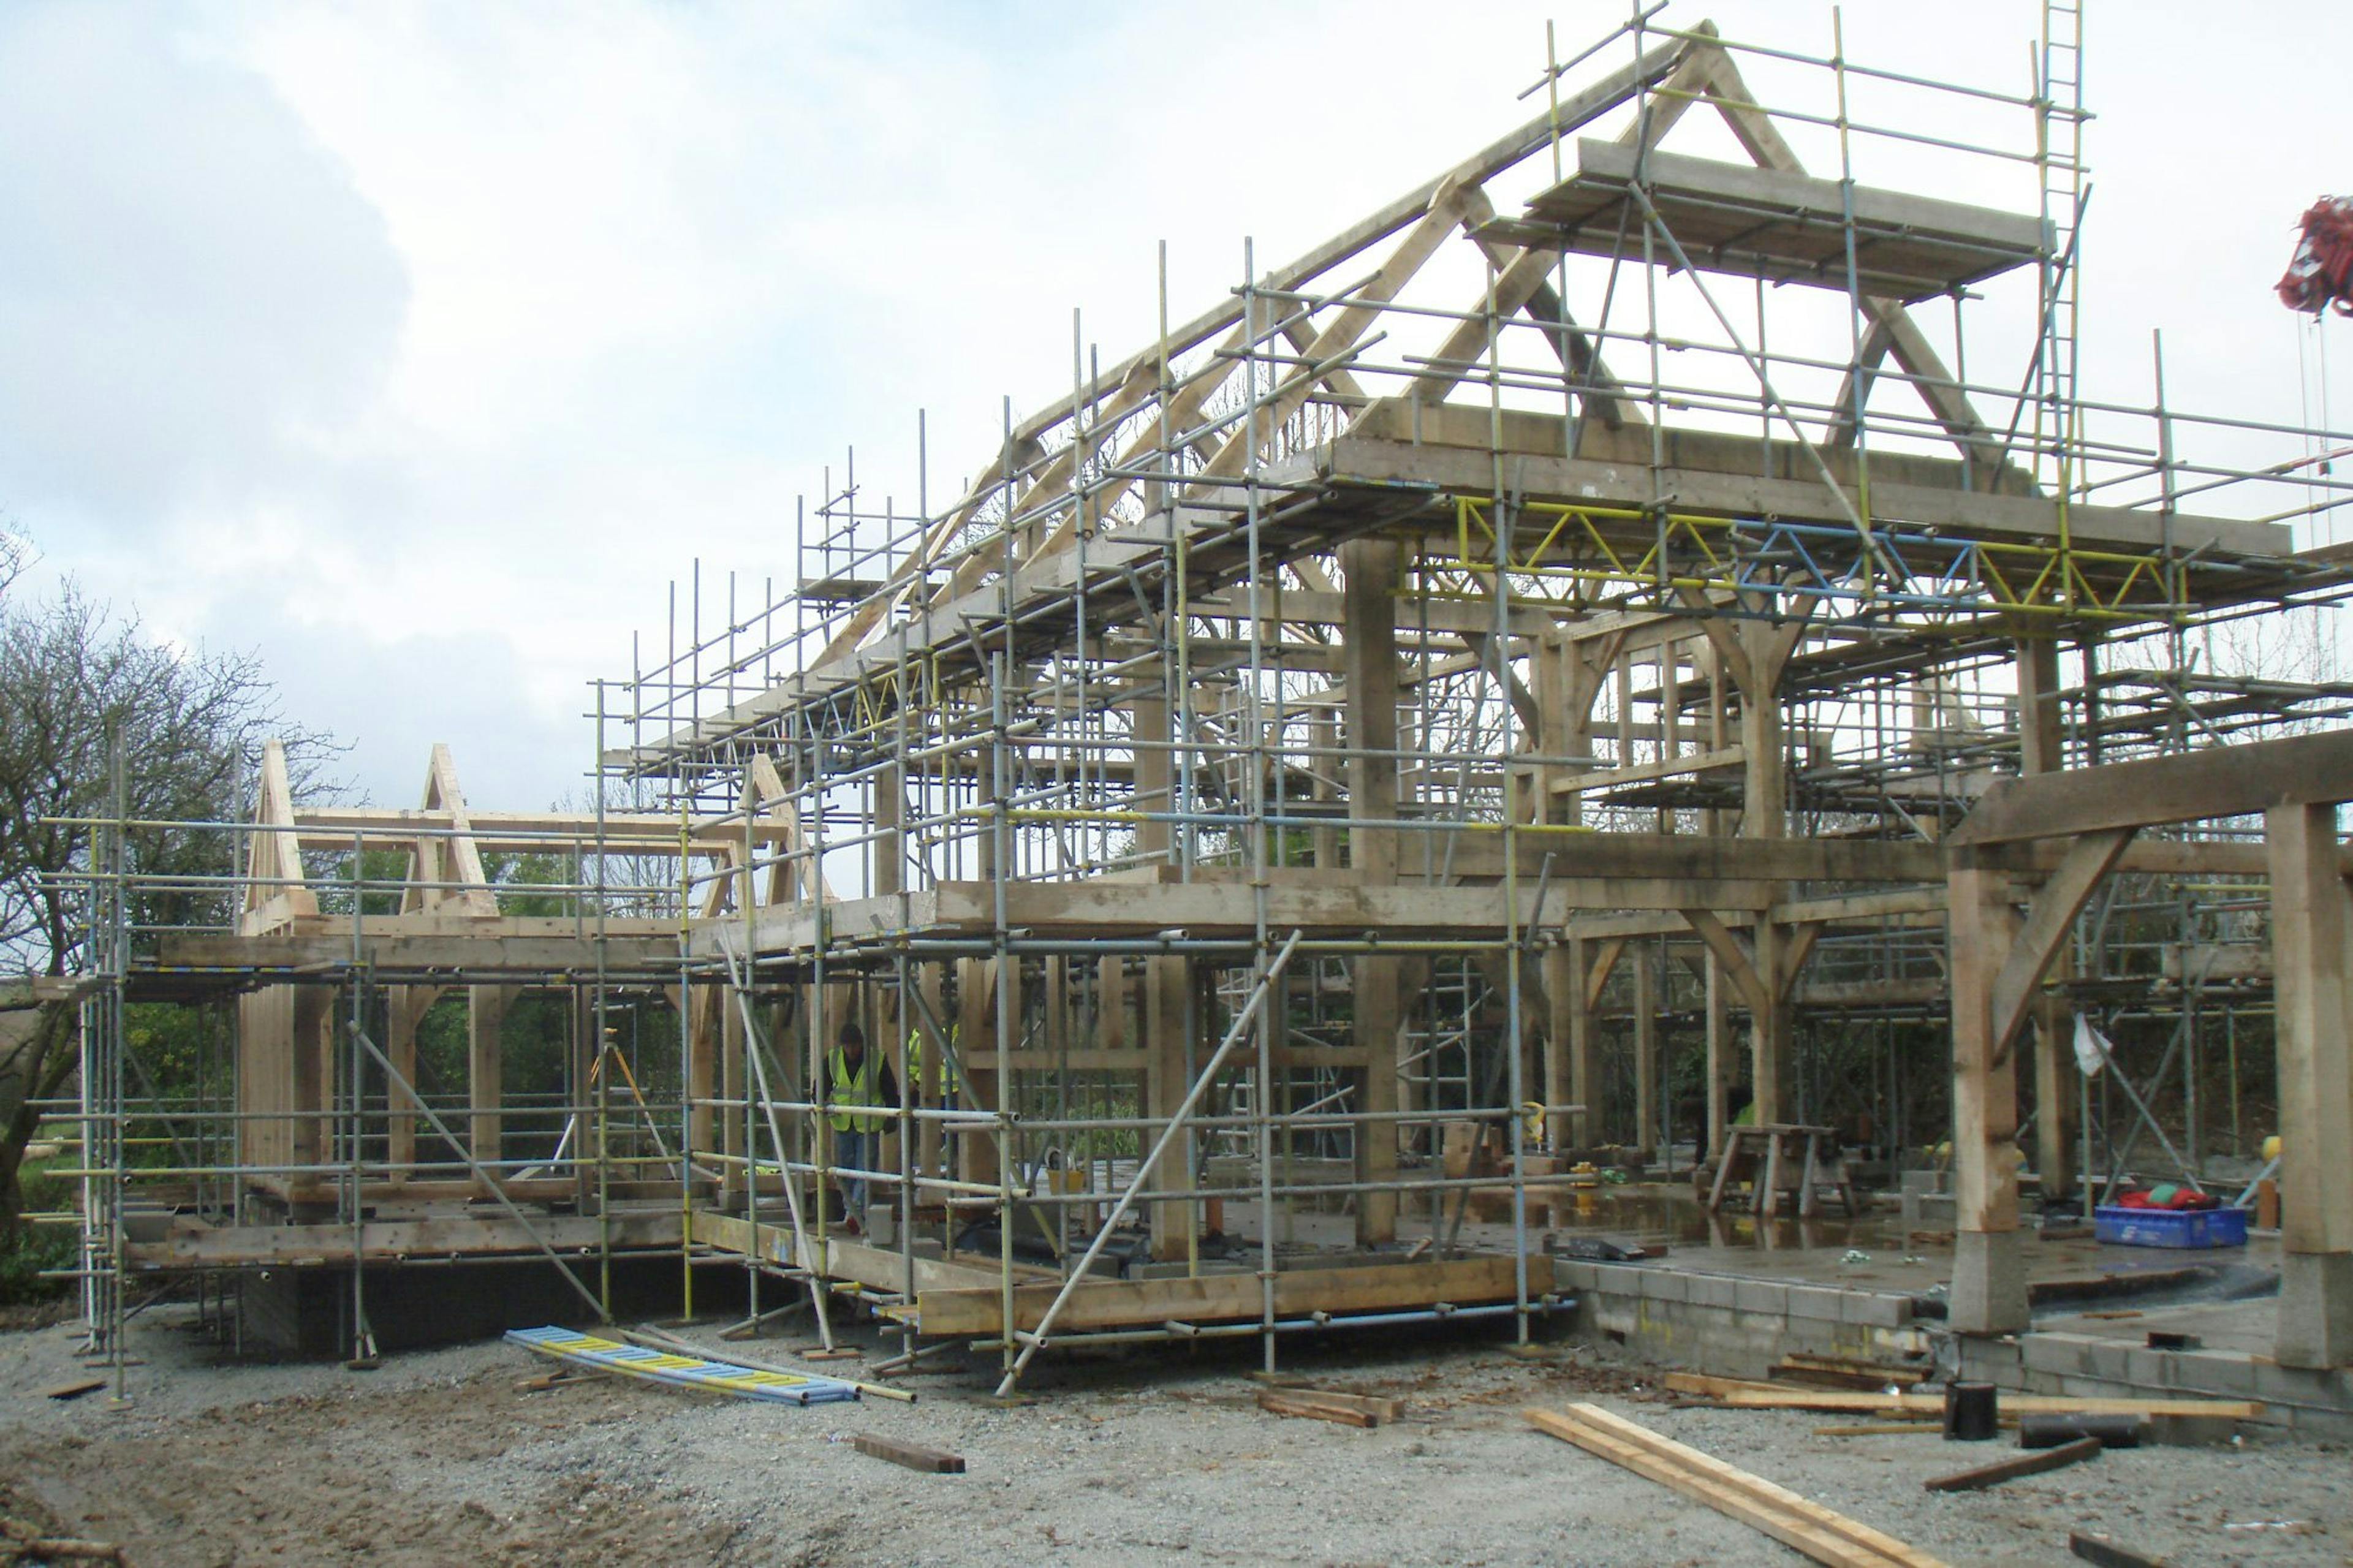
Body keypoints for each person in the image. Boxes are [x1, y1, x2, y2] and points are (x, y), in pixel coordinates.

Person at [822, 1020, 898, 1232]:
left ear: (861, 1044)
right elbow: (821, 1088)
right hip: (844, 1123)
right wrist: (821, 1104)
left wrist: (892, 1115)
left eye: (855, 1046)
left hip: (868, 1124)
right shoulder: (833, 1059)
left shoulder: (877, 1060)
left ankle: (853, 1214)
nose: (852, 1050)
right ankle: (851, 1211)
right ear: (842, 1045)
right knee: (846, 1171)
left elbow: (890, 1089)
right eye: (848, 1046)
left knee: (865, 1169)